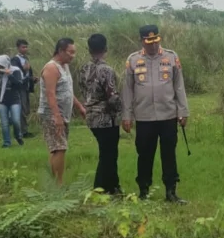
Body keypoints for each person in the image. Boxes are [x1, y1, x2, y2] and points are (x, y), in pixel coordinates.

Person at [121, 25, 189, 203]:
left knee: (169, 154)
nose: (152, 45)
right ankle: (144, 191)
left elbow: (179, 86)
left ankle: (171, 192)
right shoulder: (133, 60)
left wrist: (183, 111)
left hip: (168, 115)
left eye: (155, 41)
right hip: (144, 117)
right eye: (148, 42)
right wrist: (127, 115)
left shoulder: (171, 57)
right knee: (144, 155)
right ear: (142, 41)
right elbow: (127, 90)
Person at [37, 38, 85, 186]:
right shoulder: (51, 68)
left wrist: (79, 107)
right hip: (52, 114)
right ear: (60, 51)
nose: (73, 56)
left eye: (74, 53)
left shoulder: (64, 66)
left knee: (57, 148)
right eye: (70, 52)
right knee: (60, 148)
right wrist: (56, 116)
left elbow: (68, 91)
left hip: (63, 114)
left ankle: (53, 180)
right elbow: (50, 94)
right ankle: (59, 183)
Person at [81, 33, 123, 195]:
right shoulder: (106, 70)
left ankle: (113, 187)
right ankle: (100, 188)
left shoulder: (83, 68)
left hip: (90, 115)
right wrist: (123, 109)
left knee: (107, 152)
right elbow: (112, 97)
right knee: (108, 155)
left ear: (89, 49)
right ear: (106, 48)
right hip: (106, 118)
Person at [0, 55, 26, 147]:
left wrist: (9, 75)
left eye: (2, 66)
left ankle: (18, 136)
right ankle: (7, 142)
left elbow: (19, 84)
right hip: (2, 100)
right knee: (4, 123)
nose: (0, 68)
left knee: (15, 121)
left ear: (7, 64)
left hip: (14, 100)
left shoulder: (15, 70)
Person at [11, 39, 36, 137]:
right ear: (18, 48)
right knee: (22, 109)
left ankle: (23, 129)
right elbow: (17, 75)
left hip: (25, 87)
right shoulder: (15, 60)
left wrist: (32, 79)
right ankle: (22, 131)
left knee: (25, 109)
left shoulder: (26, 58)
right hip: (19, 88)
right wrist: (24, 70)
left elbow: (27, 73)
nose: (25, 49)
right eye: (23, 47)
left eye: (26, 47)